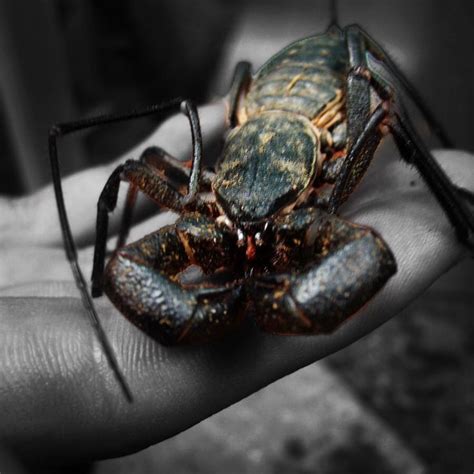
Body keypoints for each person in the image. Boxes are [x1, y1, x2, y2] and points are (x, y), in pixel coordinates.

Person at [0, 100, 473, 470]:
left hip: (309, 135)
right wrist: (111, 261)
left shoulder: (328, 183)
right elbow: (136, 173)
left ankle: (456, 210)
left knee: (379, 108)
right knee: (132, 168)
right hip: (249, 149)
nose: (249, 244)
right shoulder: (205, 199)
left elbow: (368, 251)